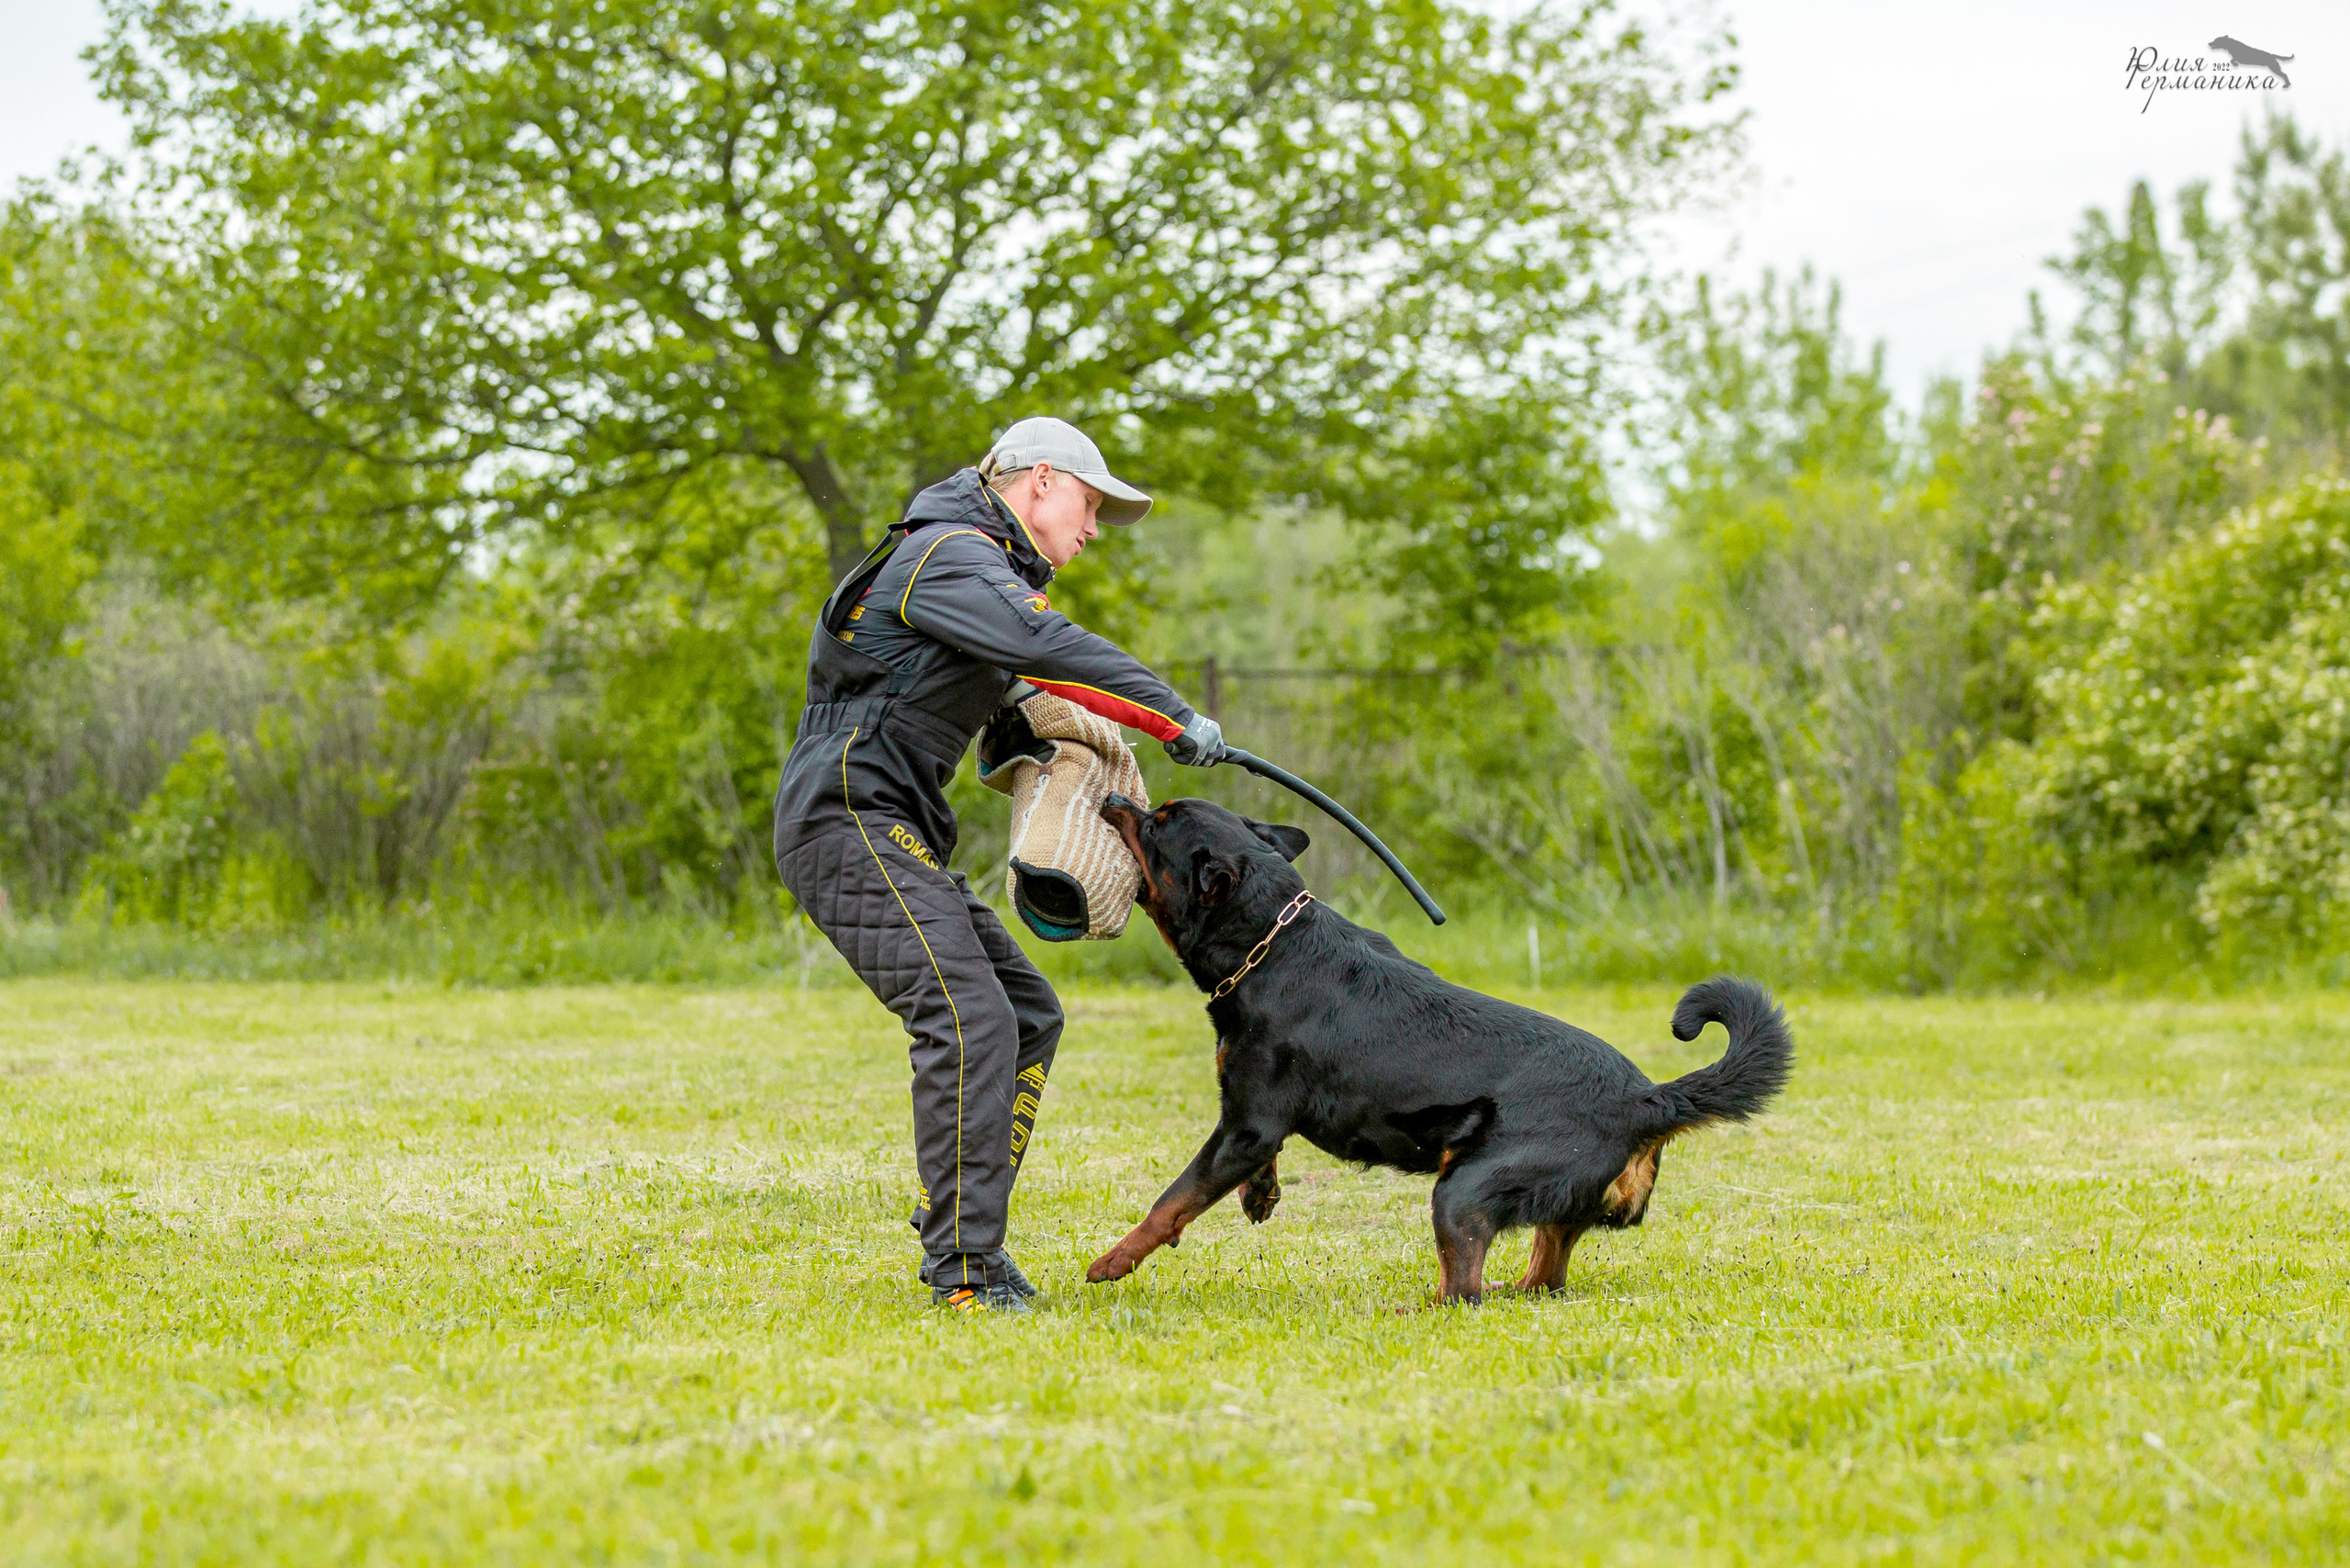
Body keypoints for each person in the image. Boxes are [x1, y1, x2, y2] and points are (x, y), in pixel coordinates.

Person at [772, 417, 1225, 1314]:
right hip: (846, 816)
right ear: (1041, 482)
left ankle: (957, 1211)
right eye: (1091, 505)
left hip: (886, 822)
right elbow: (1047, 648)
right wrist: (1173, 716)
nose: (1092, 530)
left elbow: (1015, 692)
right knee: (969, 1014)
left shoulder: (971, 576)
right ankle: (965, 1269)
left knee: (1025, 1013)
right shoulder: (951, 556)